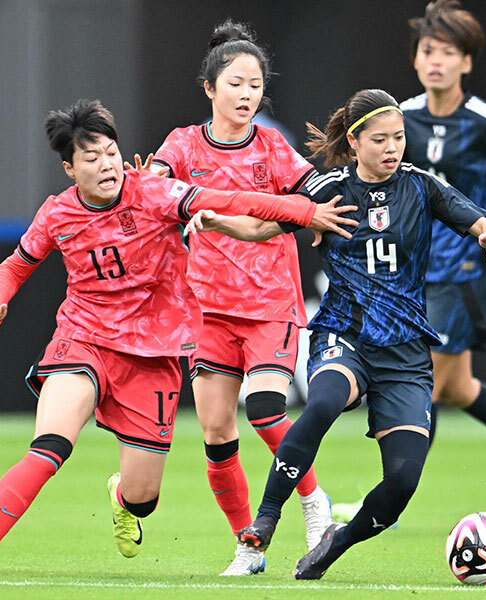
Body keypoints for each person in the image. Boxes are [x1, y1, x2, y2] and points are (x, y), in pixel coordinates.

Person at [0, 99, 356, 578]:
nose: (107, 165)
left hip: (154, 356)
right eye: (91, 158)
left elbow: (229, 201)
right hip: (84, 339)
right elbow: (18, 263)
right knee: (50, 446)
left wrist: (302, 211)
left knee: (143, 500)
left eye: (111, 152)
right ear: (69, 168)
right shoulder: (57, 213)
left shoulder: (155, 193)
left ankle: (122, 497)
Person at [186, 88, 486, 580]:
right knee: (323, 403)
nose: (393, 147)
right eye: (380, 139)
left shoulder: (422, 187)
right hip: (345, 334)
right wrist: (216, 221)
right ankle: (264, 523)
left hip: (404, 352)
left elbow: (473, 216)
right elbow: (263, 225)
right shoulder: (329, 189)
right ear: (355, 142)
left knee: (401, 482)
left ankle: (336, 543)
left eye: (399, 137)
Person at [333, 0, 486, 522]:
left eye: (448, 53)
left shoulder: (485, 121)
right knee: (459, 387)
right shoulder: (398, 118)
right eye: (428, 51)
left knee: (426, 379)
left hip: (465, 271)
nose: (436, 61)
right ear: (416, 59)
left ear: (467, 62)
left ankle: (387, 500)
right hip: (416, 275)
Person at [148, 20, 334, 576]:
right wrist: (170, 199)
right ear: (210, 88)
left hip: (270, 303)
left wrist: (327, 204)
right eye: (235, 83)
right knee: (215, 432)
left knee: (268, 410)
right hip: (206, 307)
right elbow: (154, 189)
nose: (247, 94)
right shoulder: (182, 144)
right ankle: (248, 546)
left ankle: (313, 502)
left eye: (256, 84)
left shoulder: (272, 147)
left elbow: (310, 192)